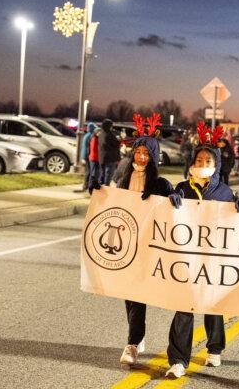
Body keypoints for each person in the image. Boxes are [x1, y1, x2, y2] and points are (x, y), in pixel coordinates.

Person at [89, 113, 180, 366]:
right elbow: (112, 203)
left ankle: (135, 341)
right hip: (126, 247)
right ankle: (135, 339)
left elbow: (176, 201)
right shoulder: (123, 177)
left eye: (146, 154)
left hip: (150, 249)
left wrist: (174, 197)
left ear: (153, 157)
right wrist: (97, 190)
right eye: (138, 152)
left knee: (141, 294)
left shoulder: (160, 183)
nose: (141, 157)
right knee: (130, 294)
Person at [166, 122, 239, 379]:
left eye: (207, 159)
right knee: (184, 306)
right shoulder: (182, 189)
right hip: (186, 258)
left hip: (213, 258)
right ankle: (179, 359)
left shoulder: (224, 192)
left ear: (216, 165)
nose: (203, 163)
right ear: (192, 162)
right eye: (199, 159)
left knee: (213, 304)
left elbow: (234, 224)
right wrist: (169, 203)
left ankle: (215, 348)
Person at [98, 119, 120, 186]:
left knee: (102, 173)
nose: (112, 127)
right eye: (111, 126)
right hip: (109, 157)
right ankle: (106, 186)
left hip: (102, 157)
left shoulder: (101, 134)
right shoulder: (109, 135)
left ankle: (101, 185)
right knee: (108, 173)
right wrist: (118, 140)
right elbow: (115, 144)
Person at [80, 122, 97, 191]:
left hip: (85, 155)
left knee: (88, 171)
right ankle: (85, 186)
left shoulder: (86, 135)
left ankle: (85, 186)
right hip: (88, 156)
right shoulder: (90, 136)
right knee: (89, 171)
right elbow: (88, 148)